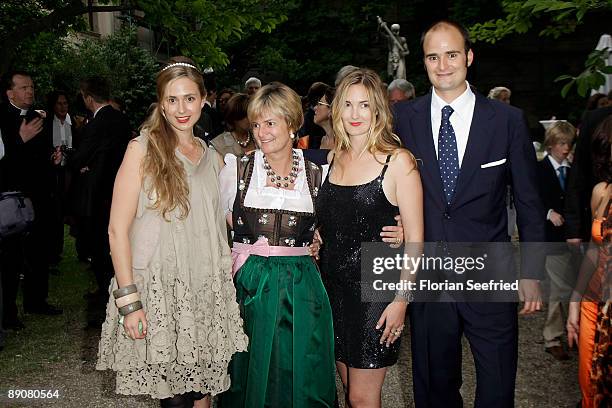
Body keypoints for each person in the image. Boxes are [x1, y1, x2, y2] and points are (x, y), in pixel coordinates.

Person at [394, 20, 545, 407]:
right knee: (433, 387)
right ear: (423, 62)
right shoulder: (403, 120)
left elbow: (529, 201)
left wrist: (530, 271)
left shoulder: (508, 121)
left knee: (497, 385)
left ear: (469, 57)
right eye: (433, 56)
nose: (443, 64)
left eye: (451, 54)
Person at [96, 57, 248, 408]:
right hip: (158, 293)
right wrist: (129, 300)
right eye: (173, 99)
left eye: (190, 98)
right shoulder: (141, 149)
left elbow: (225, 222)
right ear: (161, 103)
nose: (182, 108)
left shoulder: (212, 156)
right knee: (175, 398)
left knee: (203, 392)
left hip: (203, 293)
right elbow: (117, 230)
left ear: (204, 99)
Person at [216, 82, 337, 407]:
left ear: (292, 123)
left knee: (302, 372)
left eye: (270, 123)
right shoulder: (236, 172)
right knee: (251, 373)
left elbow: (351, 214)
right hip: (251, 285)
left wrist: (396, 228)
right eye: (256, 124)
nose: (261, 132)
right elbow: (211, 223)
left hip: (302, 287)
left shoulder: (318, 175)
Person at [317, 68, 423, 408]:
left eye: (364, 105)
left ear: (377, 109)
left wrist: (401, 301)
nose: (354, 114)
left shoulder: (398, 161)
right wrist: (317, 238)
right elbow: (332, 221)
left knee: (363, 398)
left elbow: (417, 239)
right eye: (347, 105)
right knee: (349, 391)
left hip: (375, 293)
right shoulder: (332, 159)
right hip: (332, 290)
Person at [0, 71, 60, 326]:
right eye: (24, 87)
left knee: (39, 250)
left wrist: (53, 160)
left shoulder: (38, 118)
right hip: (10, 197)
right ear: (9, 92)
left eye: (32, 86)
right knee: (10, 258)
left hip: (39, 195)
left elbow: (42, 155)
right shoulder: (1, 117)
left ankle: (37, 301)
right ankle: (8, 312)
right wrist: (19, 140)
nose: (30, 91)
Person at [70, 77, 132, 302]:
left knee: (99, 243)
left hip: (98, 193)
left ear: (88, 98)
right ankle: (113, 286)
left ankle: (107, 290)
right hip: (120, 188)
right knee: (114, 240)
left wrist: (77, 161)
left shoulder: (96, 123)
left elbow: (80, 158)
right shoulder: (122, 119)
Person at [566, 116, 611, 408]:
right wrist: (573, 301)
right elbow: (594, 251)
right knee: (588, 385)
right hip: (593, 304)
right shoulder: (601, 192)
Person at [537, 121, 576, 361]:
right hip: (550, 239)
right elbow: (529, 199)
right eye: (561, 143)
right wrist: (547, 212)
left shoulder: (572, 171)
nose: (565, 148)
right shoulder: (539, 170)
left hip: (572, 238)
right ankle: (552, 336)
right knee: (560, 287)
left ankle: (570, 331)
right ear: (551, 144)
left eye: (569, 143)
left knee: (570, 287)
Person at [209, 93, 255, 158]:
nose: (251, 119)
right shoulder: (218, 145)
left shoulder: (259, 137)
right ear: (235, 116)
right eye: (247, 115)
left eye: (253, 114)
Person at [312, 84, 335, 149]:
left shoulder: (346, 144)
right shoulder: (317, 141)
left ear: (332, 110)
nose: (315, 107)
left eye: (320, 104)